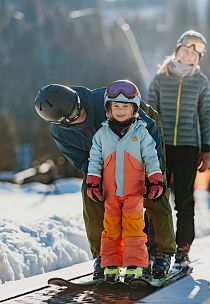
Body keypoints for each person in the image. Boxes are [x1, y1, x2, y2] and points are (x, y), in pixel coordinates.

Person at [34, 81, 176, 279]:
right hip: (104, 161)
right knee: (91, 193)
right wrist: (99, 178)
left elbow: (149, 134)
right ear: (61, 123)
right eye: (74, 117)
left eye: (79, 108)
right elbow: (82, 160)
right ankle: (104, 255)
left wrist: (153, 173)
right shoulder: (60, 133)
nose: (81, 115)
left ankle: (164, 251)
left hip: (144, 135)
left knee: (155, 189)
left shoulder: (105, 101)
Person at [86, 80, 164, 282]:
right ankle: (110, 265)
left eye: (125, 106)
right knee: (110, 229)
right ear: (109, 109)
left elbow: (151, 157)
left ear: (134, 109)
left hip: (134, 192)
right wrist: (93, 181)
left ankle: (135, 266)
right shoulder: (102, 134)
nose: (120, 110)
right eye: (116, 106)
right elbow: (94, 159)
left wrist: (155, 179)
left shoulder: (141, 133)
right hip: (110, 193)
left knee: (134, 229)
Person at [148, 30, 210, 264]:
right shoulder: (160, 78)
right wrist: (147, 144)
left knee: (184, 200)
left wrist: (206, 149)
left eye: (193, 54)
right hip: (160, 146)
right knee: (156, 196)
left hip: (188, 147)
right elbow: (149, 113)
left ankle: (183, 247)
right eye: (185, 51)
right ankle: (154, 246)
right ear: (177, 51)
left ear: (197, 59)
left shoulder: (201, 82)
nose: (188, 56)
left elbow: (205, 116)